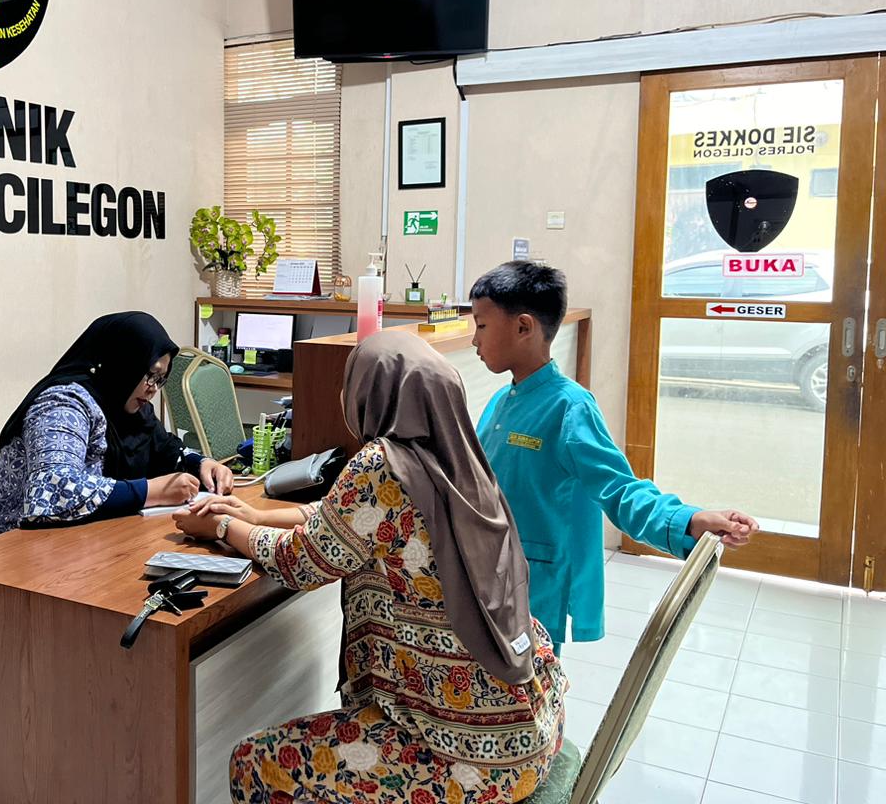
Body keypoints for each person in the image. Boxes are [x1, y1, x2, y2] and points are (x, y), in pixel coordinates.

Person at [175, 330, 567, 804]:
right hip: (528, 727)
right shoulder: (459, 456)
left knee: (255, 762)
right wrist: (254, 517)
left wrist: (220, 528)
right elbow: (351, 519)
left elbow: (301, 561)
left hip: (466, 758)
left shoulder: (382, 463)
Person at [468, 261, 759, 652]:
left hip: (536, 586)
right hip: (490, 577)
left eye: (482, 326)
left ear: (523, 327)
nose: (475, 340)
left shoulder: (570, 408)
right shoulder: (500, 402)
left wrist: (688, 521)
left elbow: (620, 489)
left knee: (532, 679)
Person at [0, 311, 235, 545]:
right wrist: (151, 491)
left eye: (161, 379)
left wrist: (201, 464)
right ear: (123, 364)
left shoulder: (131, 409)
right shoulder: (64, 405)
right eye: (149, 374)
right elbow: (52, 489)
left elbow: (165, 448)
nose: (152, 388)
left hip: (73, 546)